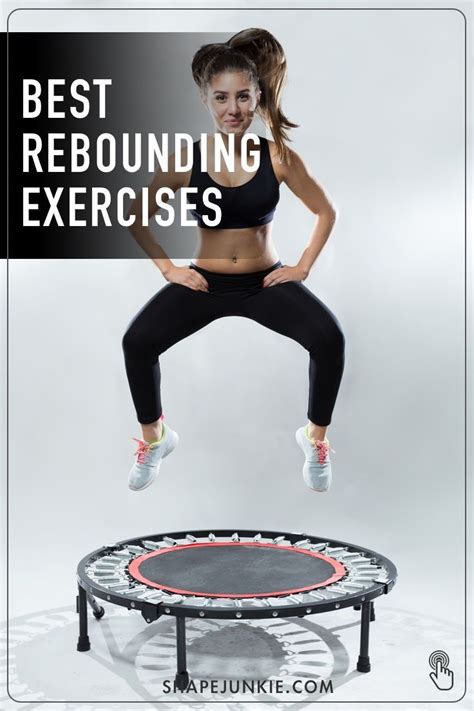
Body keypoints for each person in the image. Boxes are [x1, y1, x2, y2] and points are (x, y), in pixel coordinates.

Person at [122, 28, 345, 493]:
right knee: (138, 342)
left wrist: (302, 266)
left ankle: (315, 439)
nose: (233, 110)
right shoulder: (187, 160)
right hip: (204, 284)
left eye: (243, 97)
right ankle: (155, 439)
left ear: (257, 96)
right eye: (221, 98)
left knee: (329, 339)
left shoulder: (278, 157)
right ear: (206, 100)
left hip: (264, 284)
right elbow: (136, 217)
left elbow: (325, 211)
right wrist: (169, 269)